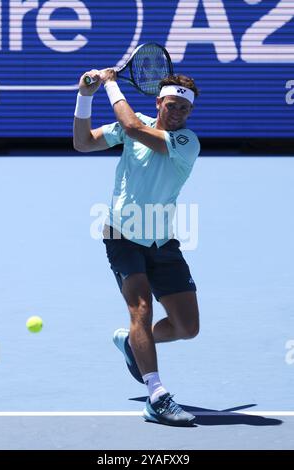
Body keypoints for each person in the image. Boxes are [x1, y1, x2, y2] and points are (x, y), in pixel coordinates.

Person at [73, 68, 200, 427]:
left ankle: (133, 344)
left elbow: (133, 129)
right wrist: (85, 96)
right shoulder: (136, 123)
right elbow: (83, 142)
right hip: (121, 236)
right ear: (159, 102)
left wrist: (110, 82)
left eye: (184, 110)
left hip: (162, 242)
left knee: (186, 327)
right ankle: (157, 395)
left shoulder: (187, 142)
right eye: (172, 106)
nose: (177, 115)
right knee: (140, 308)